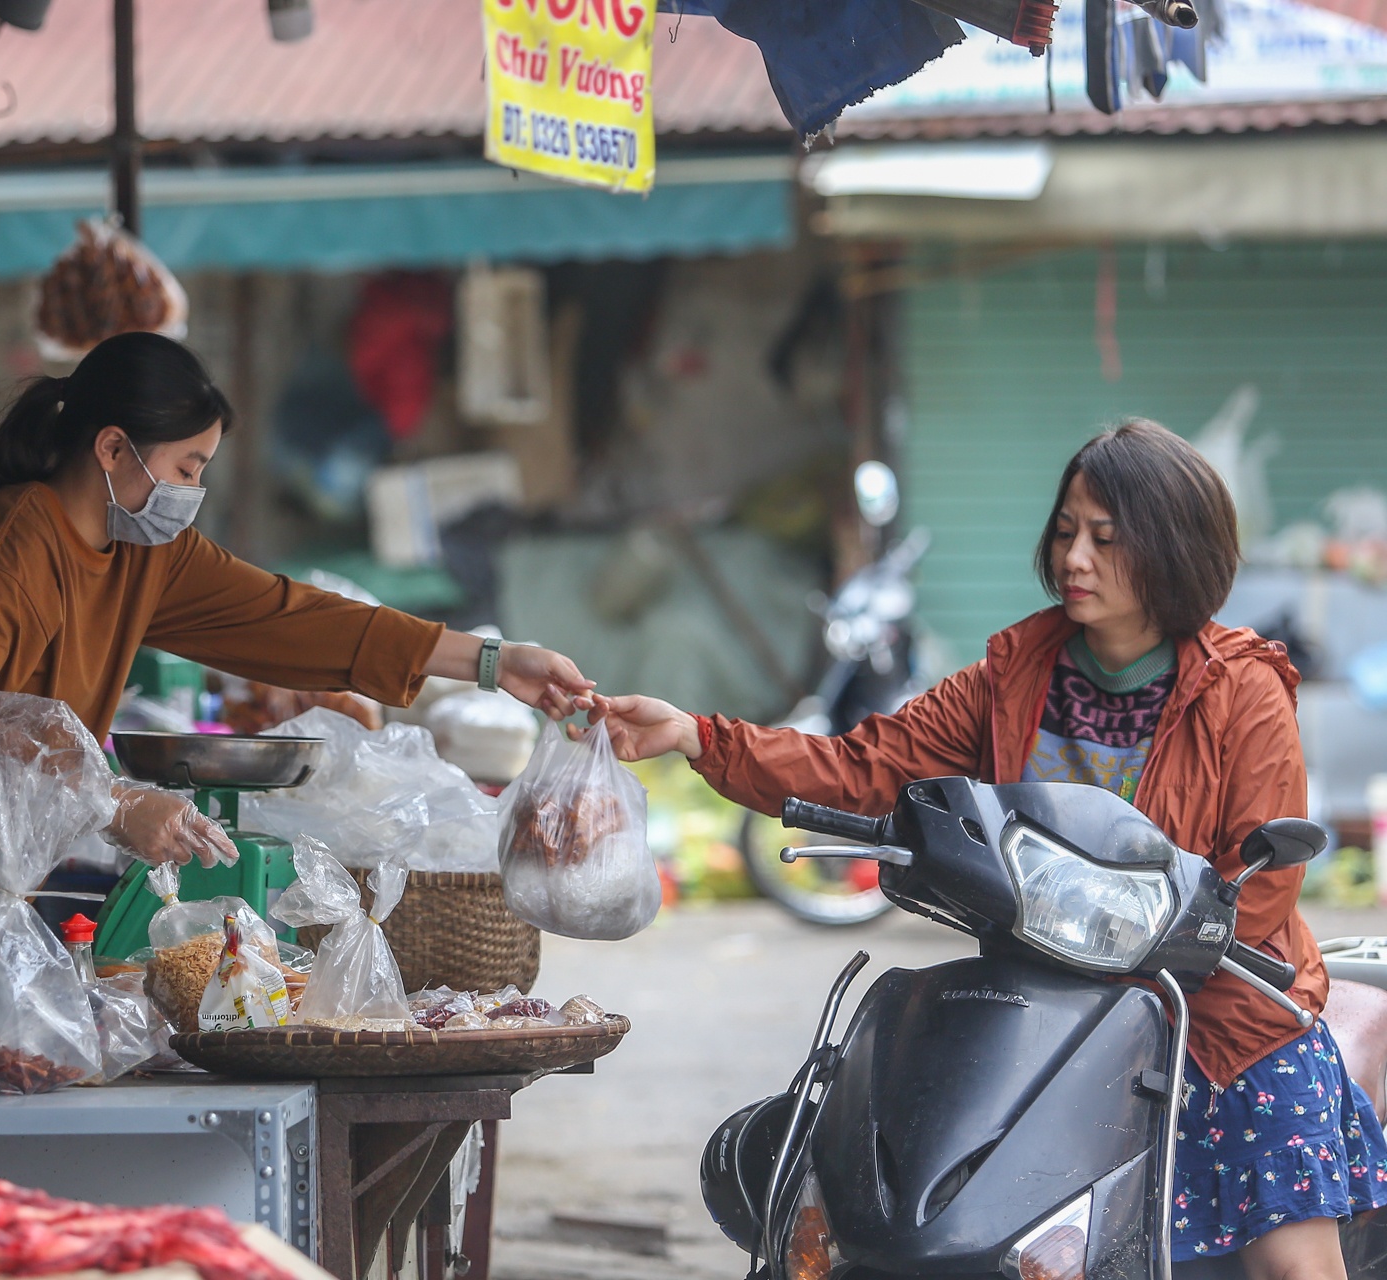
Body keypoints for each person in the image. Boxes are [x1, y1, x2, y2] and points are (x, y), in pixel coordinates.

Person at [590, 420, 1387, 1280]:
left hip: (1224, 1015)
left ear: (1172, 548)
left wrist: (1173, 944)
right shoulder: (1013, 676)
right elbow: (864, 766)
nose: (1075, 557)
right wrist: (696, 736)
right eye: (1066, 530)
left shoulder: (1245, 689)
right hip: (1036, 1008)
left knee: (1294, 1263)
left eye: (1106, 539)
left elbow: (1259, 888)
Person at [0, 332, 594, 1030]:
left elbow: (292, 618)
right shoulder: (7, 546)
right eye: (187, 467)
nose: (192, 492)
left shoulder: (144, 554)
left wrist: (490, 661)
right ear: (112, 449)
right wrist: (113, 800)